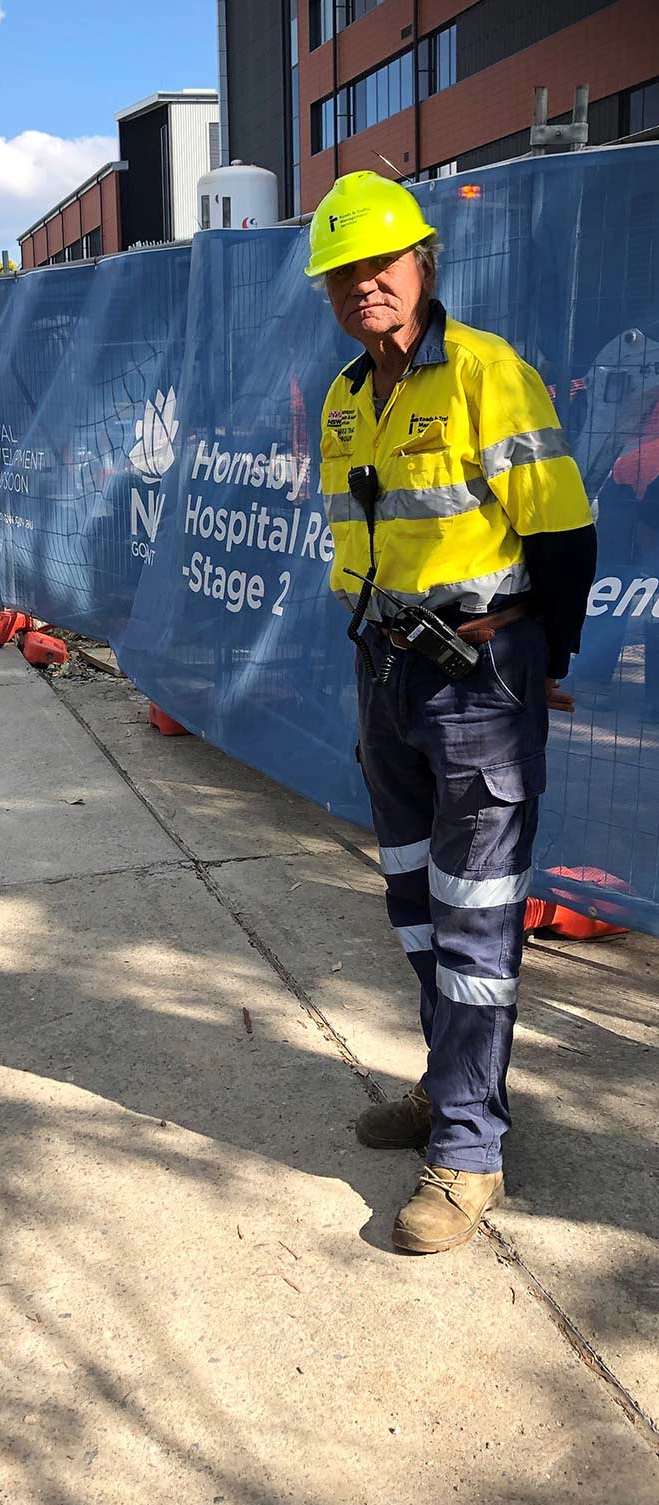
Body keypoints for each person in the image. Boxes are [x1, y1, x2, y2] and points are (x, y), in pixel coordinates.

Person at [308, 172, 596, 1254]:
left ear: (423, 264)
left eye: (380, 262)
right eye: (342, 271)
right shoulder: (345, 397)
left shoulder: (486, 372)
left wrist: (540, 657)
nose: (361, 284)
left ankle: (470, 1152)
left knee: (476, 914)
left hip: (481, 676)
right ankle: (447, 1081)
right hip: (384, 673)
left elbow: (562, 536)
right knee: (413, 903)